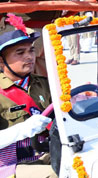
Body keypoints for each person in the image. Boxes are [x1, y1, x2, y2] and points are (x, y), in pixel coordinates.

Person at [0, 18, 54, 178]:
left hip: (47, 152)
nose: (29, 56)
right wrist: (21, 130)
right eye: (20, 53)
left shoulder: (43, 83)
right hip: (12, 163)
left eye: (31, 50)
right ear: (1, 61)